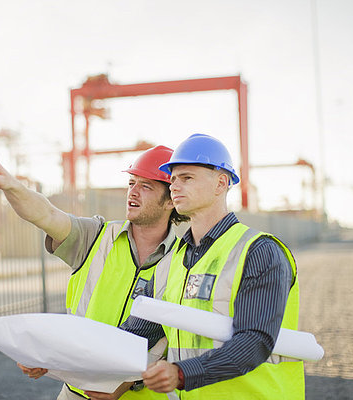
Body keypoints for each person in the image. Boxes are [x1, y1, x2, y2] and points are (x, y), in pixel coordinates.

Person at [0, 145, 188, 400]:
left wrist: (128, 385)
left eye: (146, 186)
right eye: (132, 182)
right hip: (77, 393)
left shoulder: (184, 261)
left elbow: (174, 343)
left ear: (170, 200)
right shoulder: (95, 237)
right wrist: (11, 186)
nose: (132, 191)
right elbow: (45, 213)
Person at [121, 134, 305, 399]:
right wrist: (60, 358)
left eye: (187, 178)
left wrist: (181, 374)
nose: (174, 186)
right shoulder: (171, 261)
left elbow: (254, 342)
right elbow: (135, 335)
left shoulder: (259, 251)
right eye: (172, 179)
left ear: (221, 183)